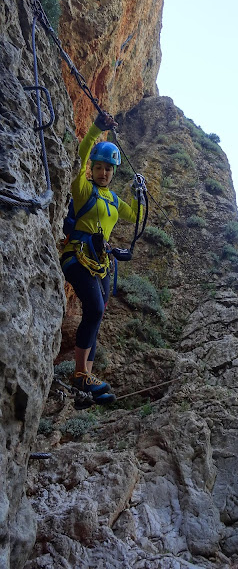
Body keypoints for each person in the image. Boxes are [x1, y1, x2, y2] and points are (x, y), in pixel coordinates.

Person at [60, 112, 144, 404]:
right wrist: (97, 127)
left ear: (113, 172)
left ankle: (86, 378)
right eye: (99, 167)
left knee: (96, 316)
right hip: (77, 256)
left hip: (101, 263)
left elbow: (136, 217)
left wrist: (138, 194)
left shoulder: (113, 200)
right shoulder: (84, 190)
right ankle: (80, 374)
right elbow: (80, 154)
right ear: (93, 168)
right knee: (94, 308)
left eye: (109, 169)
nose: (104, 173)